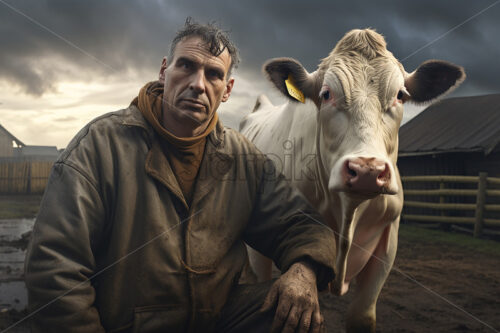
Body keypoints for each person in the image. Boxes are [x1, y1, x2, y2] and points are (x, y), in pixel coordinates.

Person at [25, 19, 336, 333]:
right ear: (164, 71)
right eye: (186, 65)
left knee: (296, 319)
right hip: (123, 325)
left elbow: (302, 224)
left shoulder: (242, 158)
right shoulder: (99, 147)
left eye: (214, 74)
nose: (198, 84)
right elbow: (55, 268)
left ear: (227, 90)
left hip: (217, 319)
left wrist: (304, 270)